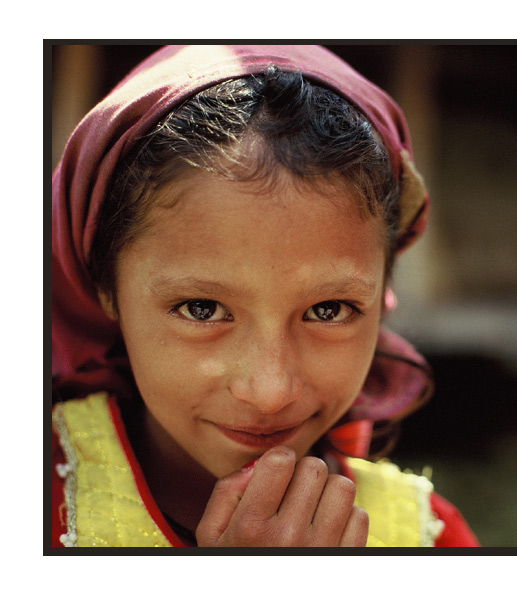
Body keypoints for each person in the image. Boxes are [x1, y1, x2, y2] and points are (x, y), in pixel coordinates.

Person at [51, 44, 478, 548]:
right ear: (106, 288)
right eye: (202, 309)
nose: (270, 392)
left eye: (328, 310)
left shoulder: (426, 536)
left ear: (384, 290)